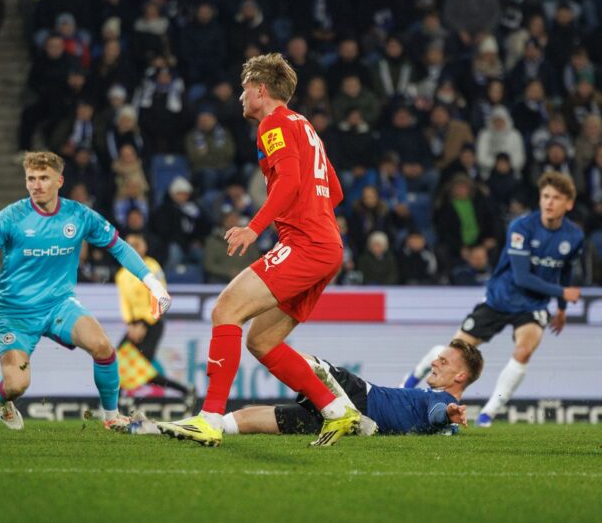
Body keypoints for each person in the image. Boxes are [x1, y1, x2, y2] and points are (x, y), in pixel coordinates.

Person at [157, 53, 356, 448]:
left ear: (261, 90)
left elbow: (290, 183)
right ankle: (336, 411)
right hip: (327, 246)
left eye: (245, 88)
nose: (240, 96)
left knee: (225, 310)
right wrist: (313, 222)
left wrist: (254, 227)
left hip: (306, 245)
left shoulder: (274, 123)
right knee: (261, 342)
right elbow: (334, 190)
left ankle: (209, 419)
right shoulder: (305, 126)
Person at [0, 151, 172, 432]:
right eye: (31, 179)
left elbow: (119, 247)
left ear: (59, 180)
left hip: (59, 306)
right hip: (17, 314)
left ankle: (111, 416)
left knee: (102, 346)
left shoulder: (79, 215)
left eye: (43, 178)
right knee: (17, 385)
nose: (36, 185)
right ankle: (0, 395)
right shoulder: (11, 217)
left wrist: (154, 284)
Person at [402, 173, 584, 427]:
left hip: (532, 306)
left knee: (523, 350)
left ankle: (488, 414)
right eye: (545, 196)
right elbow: (522, 277)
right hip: (499, 299)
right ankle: (405, 386)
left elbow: (564, 270)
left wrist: (562, 310)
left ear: (569, 203)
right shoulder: (521, 227)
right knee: (452, 352)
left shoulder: (573, 236)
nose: (549, 203)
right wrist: (563, 294)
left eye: (556, 198)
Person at [225, 340, 483, 437]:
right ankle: (212, 425)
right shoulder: (442, 408)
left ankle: (260, 343)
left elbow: (436, 412)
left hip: (356, 396)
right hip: (349, 417)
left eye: (444, 361)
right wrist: (448, 421)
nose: (434, 362)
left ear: (460, 375)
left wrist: (447, 414)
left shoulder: (443, 398)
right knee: (259, 419)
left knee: (289, 357)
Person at [115, 233, 194, 405]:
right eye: (130, 245)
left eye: (137, 244)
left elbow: (160, 295)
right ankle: (114, 406)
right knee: (116, 363)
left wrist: (144, 323)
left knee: (142, 369)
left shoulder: (152, 267)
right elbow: (125, 303)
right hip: (134, 326)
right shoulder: (121, 274)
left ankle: (184, 391)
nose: (134, 248)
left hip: (152, 323)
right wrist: (130, 325)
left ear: (145, 246)